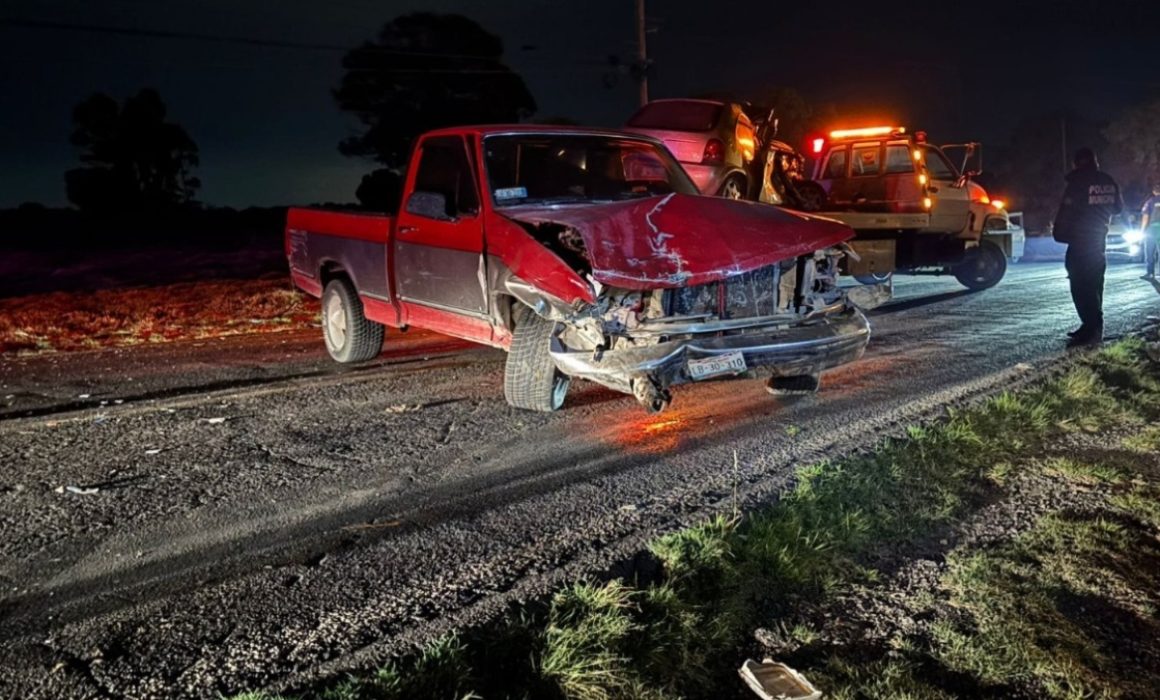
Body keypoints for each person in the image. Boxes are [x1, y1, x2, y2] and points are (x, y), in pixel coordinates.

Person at [1052, 147, 1124, 345]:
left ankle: (1090, 327)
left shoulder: (1077, 183)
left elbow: (1066, 209)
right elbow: (1118, 208)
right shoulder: (1108, 180)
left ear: (1077, 163)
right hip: (1098, 239)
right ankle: (1093, 326)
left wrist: (1058, 232)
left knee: (1079, 284)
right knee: (1095, 283)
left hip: (1079, 241)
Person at [1140, 183, 1160, 280]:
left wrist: (1142, 230)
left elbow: (1145, 217)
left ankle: (1150, 273)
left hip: (1152, 229)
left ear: (1154, 191)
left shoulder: (1150, 202)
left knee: (1149, 251)